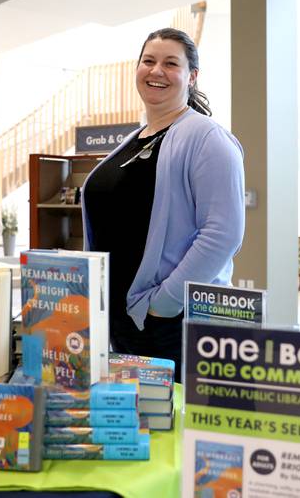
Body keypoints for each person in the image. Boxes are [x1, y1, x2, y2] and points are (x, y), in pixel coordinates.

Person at [82, 27, 245, 381]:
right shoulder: (133, 140)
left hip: (173, 322)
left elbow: (222, 234)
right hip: (124, 318)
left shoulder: (207, 138)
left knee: (176, 415)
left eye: (171, 63)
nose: (156, 71)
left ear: (192, 76)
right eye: (148, 61)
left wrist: (165, 303)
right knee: (135, 415)